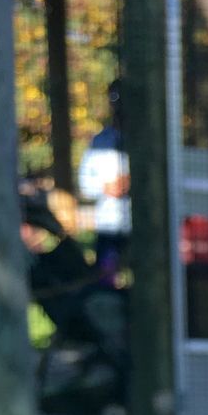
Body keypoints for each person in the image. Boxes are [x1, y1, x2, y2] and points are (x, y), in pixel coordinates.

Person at [78, 79, 130, 286]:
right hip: (109, 223)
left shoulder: (148, 139)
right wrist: (106, 188)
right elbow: (85, 183)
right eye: (113, 99)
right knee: (105, 282)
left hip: (140, 225)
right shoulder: (100, 141)